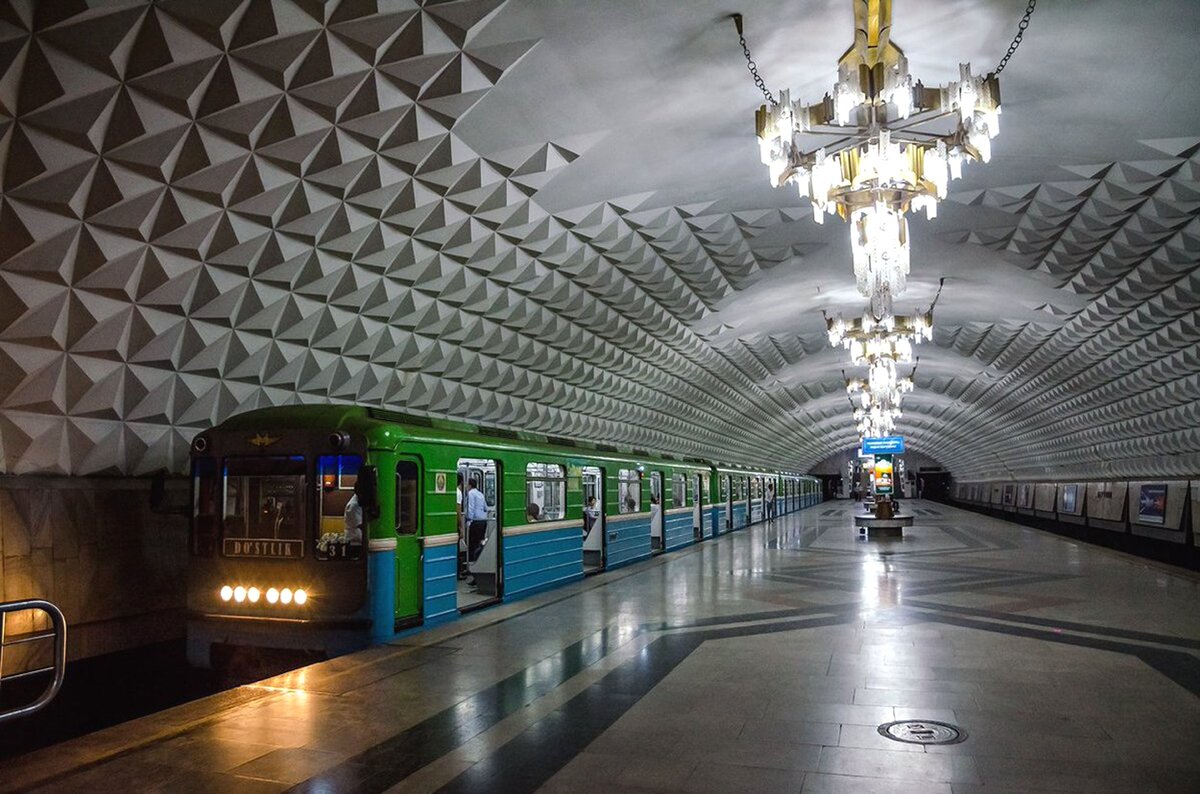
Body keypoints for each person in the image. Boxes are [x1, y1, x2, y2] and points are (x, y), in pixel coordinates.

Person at [464, 477, 488, 567]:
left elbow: (470, 508)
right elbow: (486, 508)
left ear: (470, 485)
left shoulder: (470, 494)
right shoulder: (480, 494)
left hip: (475, 522)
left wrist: (469, 521)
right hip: (483, 521)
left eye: (467, 484)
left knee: (472, 544)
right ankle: (479, 562)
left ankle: (471, 564)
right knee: (480, 542)